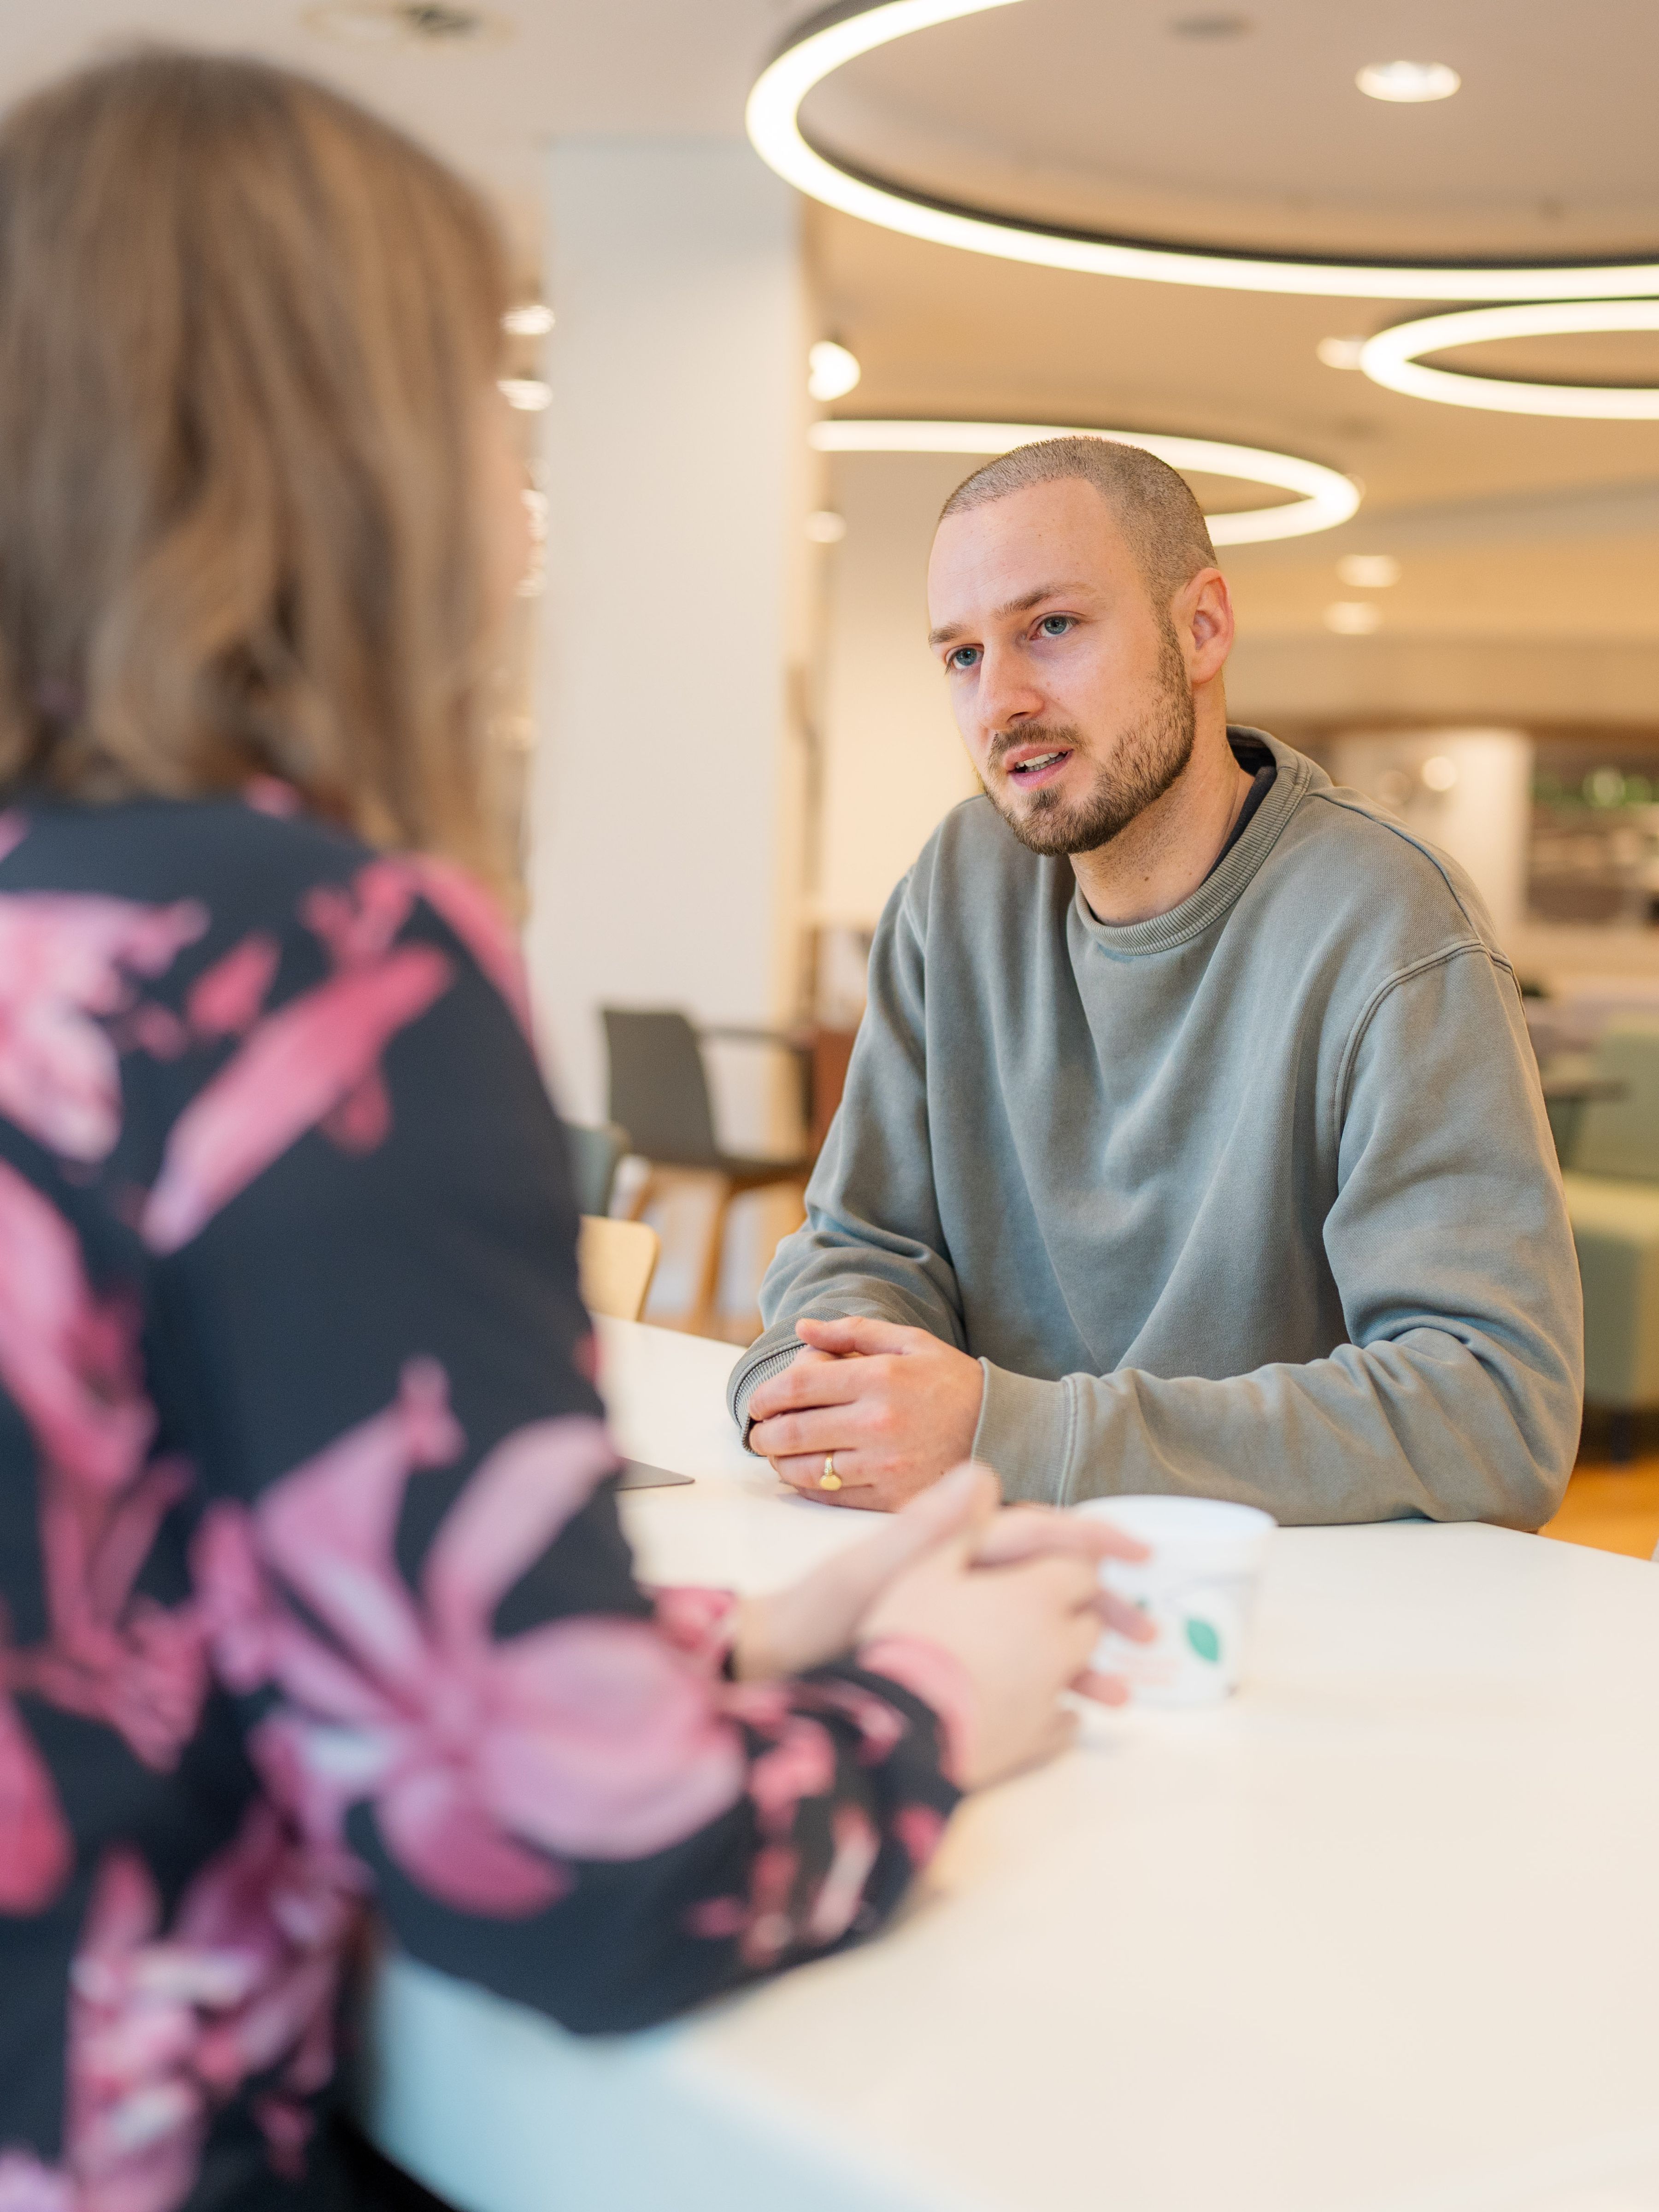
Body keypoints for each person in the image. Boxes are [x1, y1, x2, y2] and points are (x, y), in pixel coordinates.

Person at [0, 60, 1147, 2212]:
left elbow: (138, 1596)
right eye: (481, 400)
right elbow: (580, 1873)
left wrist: (716, 1648)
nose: (520, 493)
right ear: (340, 458)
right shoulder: (307, 968)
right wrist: (924, 1691)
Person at [735, 436, 1583, 1528]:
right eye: (962, 656)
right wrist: (818, 1396)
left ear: (1203, 628)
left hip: (1284, 1617)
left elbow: (1497, 1410)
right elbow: (860, 1247)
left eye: (1052, 627)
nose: (1002, 703)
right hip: (993, 1580)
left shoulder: (1391, 922)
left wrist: (1012, 1436)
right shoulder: (957, 887)